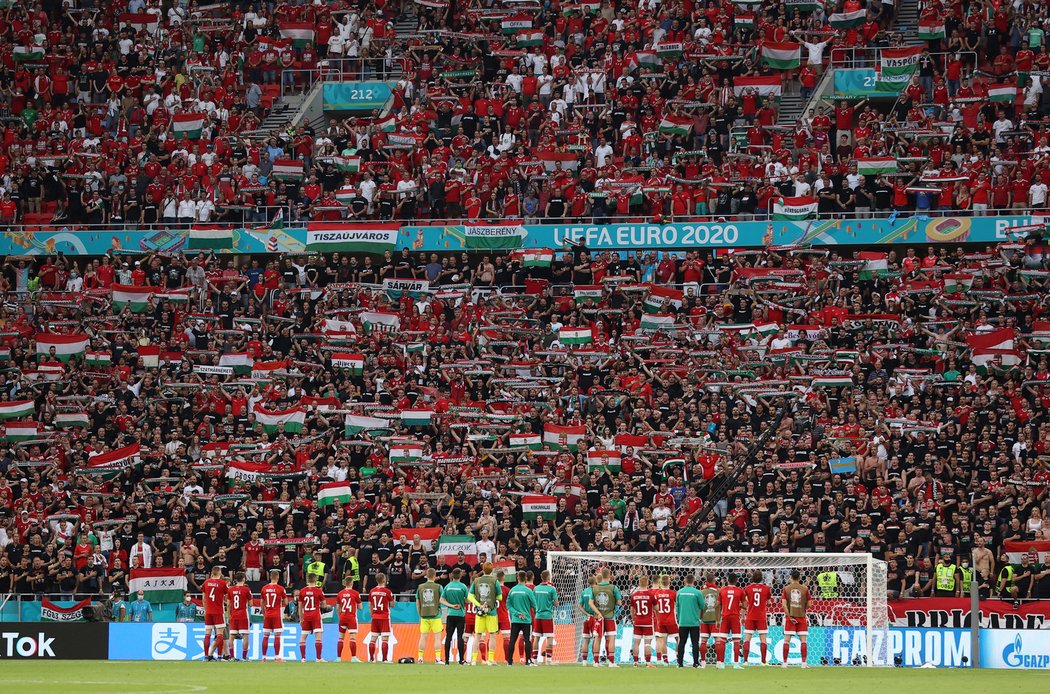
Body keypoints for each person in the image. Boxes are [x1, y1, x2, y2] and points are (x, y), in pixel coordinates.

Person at [467, 561, 502, 665]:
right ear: (492, 570)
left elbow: (470, 596)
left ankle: (473, 660)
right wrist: (492, 599)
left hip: (479, 613)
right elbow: (500, 597)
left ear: (483, 569)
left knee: (477, 636)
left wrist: (479, 605)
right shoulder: (495, 581)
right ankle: (491, 659)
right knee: (492, 636)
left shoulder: (476, 580)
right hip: (491, 612)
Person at [588, 567, 621, 667]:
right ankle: (611, 662)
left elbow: (590, 603)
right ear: (610, 575)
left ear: (601, 575)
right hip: (610, 617)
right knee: (611, 639)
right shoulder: (613, 588)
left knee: (597, 639)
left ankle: (596, 662)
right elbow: (619, 603)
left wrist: (598, 612)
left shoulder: (595, 588)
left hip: (598, 618)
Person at [715, 572, 745, 669]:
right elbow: (745, 605)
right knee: (736, 640)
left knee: (722, 640)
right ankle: (736, 664)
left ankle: (722, 663)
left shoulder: (722, 591)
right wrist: (739, 605)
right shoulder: (740, 591)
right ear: (736, 581)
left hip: (725, 617)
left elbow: (717, 605)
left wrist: (717, 620)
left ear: (728, 580)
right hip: (735, 617)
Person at [742, 569, 773, 665]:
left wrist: (743, 615)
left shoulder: (747, 588)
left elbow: (744, 603)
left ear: (752, 578)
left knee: (747, 639)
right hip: (761, 617)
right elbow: (769, 603)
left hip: (750, 616)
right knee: (763, 639)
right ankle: (763, 662)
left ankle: (746, 661)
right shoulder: (766, 589)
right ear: (761, 578)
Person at [674, 574, 704, 668]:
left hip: (683, 621)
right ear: (693, 581)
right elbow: (703, 606)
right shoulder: (697, 592)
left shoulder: (679, 592)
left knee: (682, 642)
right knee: (695, 642)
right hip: (694, 622)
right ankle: (695, 663)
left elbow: (677, 607)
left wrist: (679, 618)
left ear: (685, 581)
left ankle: (680, 663)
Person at [782, 570, 810, 668]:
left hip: (791, 618)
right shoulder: (805, 589)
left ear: (791, 577)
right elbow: (810, 604)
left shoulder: (786, 589)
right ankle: (803, 663)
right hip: (801, 617)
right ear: (799, 578)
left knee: (786, 641)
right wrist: (802, 608)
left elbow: (783, 604)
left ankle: (785, 663)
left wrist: (789, 616)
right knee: (803, 641)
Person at [506, 577, 537, 666]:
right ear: (525, 579)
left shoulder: (512, 590)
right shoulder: (528, 591)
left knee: (512, 640)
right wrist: (526, 605)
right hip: (526, 619)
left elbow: (508, 605)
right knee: (527, 640)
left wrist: (516, 613)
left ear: (517, 578)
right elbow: (534, 604)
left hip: (515, 619)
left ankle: (509, 662)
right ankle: (528, 661)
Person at [442, 568, 469, 665]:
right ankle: (461, 660)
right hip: (460, 614)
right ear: (460, 576)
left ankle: (447, 660)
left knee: (448, 637)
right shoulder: (463, 587)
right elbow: (468, 600)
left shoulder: (448, 587)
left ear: (452, 576)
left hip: (450, 614)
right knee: (460, 637)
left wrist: (451, 605)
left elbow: (441, 600)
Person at [416, 567, 444, 664]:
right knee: (437, 638)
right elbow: (442, 599)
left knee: (423, 637)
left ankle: (420, 658)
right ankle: (437, 658)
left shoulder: (420, 587)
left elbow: (417, 603)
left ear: (426, 576)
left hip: (424, 615)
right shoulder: (438, 587)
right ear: (435, 576)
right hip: (435, 615)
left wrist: (420, 614)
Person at [260, 569, 288, 661]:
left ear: (270, 577)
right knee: (277, 635)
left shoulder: (264, 588)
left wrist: (264, 614)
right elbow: (286, 602)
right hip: (276, 614)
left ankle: (264, 657)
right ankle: (276, 657)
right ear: (278, 578)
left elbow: (261, 603)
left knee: (266, 635)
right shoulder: (280, 589)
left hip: (267, 614)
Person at [201, 566, 228, 661]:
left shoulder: (206, 582)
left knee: (207, 634)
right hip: (218, 611)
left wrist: (205, 610)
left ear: (212, 573)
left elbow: (203, 598)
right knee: (220, 635)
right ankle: (220, 656)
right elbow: (226, 597)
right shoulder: (223, 583)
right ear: (220, 573)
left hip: (208, 611)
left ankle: (205, 657)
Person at [531, 570, 558, 665]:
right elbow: (556, 603)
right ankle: (549, 660)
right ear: (548, 577)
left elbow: (533, 603)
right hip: (547, 616)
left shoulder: (536, 588)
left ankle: (534, 659)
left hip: (538, 616)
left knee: (537, 637)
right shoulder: (552, 589)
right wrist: (550, 601)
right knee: (549, 637)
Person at [629, 574, 655, 667]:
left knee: (636, 643)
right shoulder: (650, 595)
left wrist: (633, 620)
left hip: (637, 621)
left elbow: (631, 609)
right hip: (647, 622)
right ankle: (648, 663)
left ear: (639, 583)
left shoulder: (634, 595)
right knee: (647, 643)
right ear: (647, 583)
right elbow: (656, 608)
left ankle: (635, 662)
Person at [299, 575, 326, 662]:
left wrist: (301, 619)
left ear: (307, 580)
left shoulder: (302, 591)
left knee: (303, 637)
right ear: (316, 580)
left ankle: (303, 658)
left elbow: (300, 607)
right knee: (318, 637)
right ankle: (318, 658)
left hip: (306, 616)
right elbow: (324, 605)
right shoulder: (319, 591)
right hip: (315, 616)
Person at [652, 573, 678, 666]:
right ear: (669, 582)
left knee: (662, 640)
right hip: (671, 620)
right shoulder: (673, 593)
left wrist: (658, 619)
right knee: (679, 639)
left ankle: (665, 661)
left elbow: (655, 608)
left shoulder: (657, 593)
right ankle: (678, 658)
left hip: (661, 620)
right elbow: (677, 605)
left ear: (661, 583)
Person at [368, 572, 394, 662]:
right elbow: (392, 604)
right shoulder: (387, 591)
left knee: (373, 638)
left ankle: (371, 659)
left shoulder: (372, 591)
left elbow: (369, 605)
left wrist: (372, 614)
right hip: (384, 617)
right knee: (385, 639)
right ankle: (384, 659)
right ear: (384, 580)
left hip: (375, 617)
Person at [337, 574, 362, 662]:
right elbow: (360, 607)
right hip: (351, 617)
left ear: (345, 583)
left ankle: (338, 658)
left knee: (340, 638)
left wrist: (340, 617)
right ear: (352, 583)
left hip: (342, 617)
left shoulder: (340, 593)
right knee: (352, 638)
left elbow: (337, 608)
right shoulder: (355, 593)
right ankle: (354, 657)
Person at [228, 571, 252, 661]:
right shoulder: (246, 590)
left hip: (233, 615)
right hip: (243, 615)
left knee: (232, 636)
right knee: (245, 635)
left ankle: (231, 657)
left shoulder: (230, 589)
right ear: (243, 579)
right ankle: (244, 657)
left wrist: (229, 615)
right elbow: (251, 603)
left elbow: (229, 604)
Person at [699, 574, 720, 667]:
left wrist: (700, 617)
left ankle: (703, 662)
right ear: (714, 581)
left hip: (704, 618)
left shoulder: (702, 592)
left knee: (703, 640)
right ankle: (719, 663)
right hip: (716, 619)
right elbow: (721, 605)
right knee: (717, 640)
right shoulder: (719, 591)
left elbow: (700, 606)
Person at [577, 576, 598, 665]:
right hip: (595, 618)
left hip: (586, 618)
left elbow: (579, 606)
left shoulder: (584, 592)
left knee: (586, 640)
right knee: (596, 639)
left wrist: (586, 614)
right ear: (595, 581)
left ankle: (584, 661)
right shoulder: (597, 591)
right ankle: (595, 661)